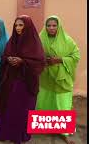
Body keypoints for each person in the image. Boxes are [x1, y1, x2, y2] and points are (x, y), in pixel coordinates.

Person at [0, 15, 46, 144]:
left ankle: (19, 135)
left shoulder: (34, 42)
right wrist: (8, 59)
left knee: (21, 110)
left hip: (25, 84)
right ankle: (6, 133)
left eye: (21, 25)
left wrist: (23, 61)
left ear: (27, 26)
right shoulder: (12, 41)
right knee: (8, 108)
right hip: (10, 81)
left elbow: (39, 63)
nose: (18, 28)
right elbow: (4, 55)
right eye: (16, 25)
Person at [36, 16, 80, 144]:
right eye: (48, 25)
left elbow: (76, 56)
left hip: (62, 78)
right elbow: (33, 54)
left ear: (59, 26)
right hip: (45, 77)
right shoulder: (39, 39)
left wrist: (60, 60)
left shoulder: (68, 41)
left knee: (63, 103)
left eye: (54, 25)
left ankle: (64, 132)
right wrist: (44, 61)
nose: (51, 28)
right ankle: (44, 128)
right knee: (45, 101)